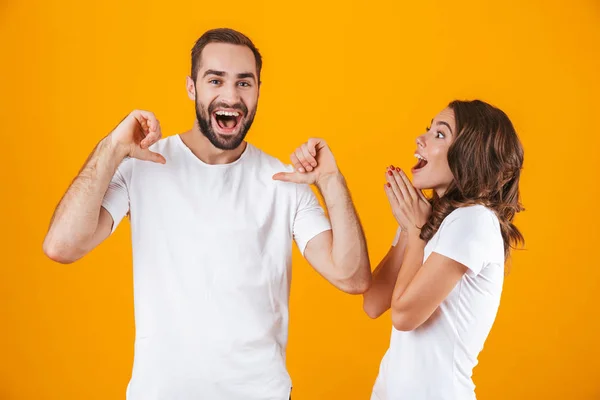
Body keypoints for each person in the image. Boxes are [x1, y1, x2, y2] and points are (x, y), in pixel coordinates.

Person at [42, 28, 371, 400]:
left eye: (244, 83)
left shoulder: (283, 182)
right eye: (216, 80)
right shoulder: (144, 167)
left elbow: (352, 278)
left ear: (259, 90)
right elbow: (62, 246)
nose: (231, 96)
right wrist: (112, 148)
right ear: (191, 87)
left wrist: (330, 180)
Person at [362, 100, 524, 399]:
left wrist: (416, 231)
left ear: (470, 156)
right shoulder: (429, 218)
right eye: (428, 129)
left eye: (440, 134)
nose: (419, 139)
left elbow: (404, 317)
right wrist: (412, 229)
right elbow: (373, 303)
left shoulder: (474, 219)